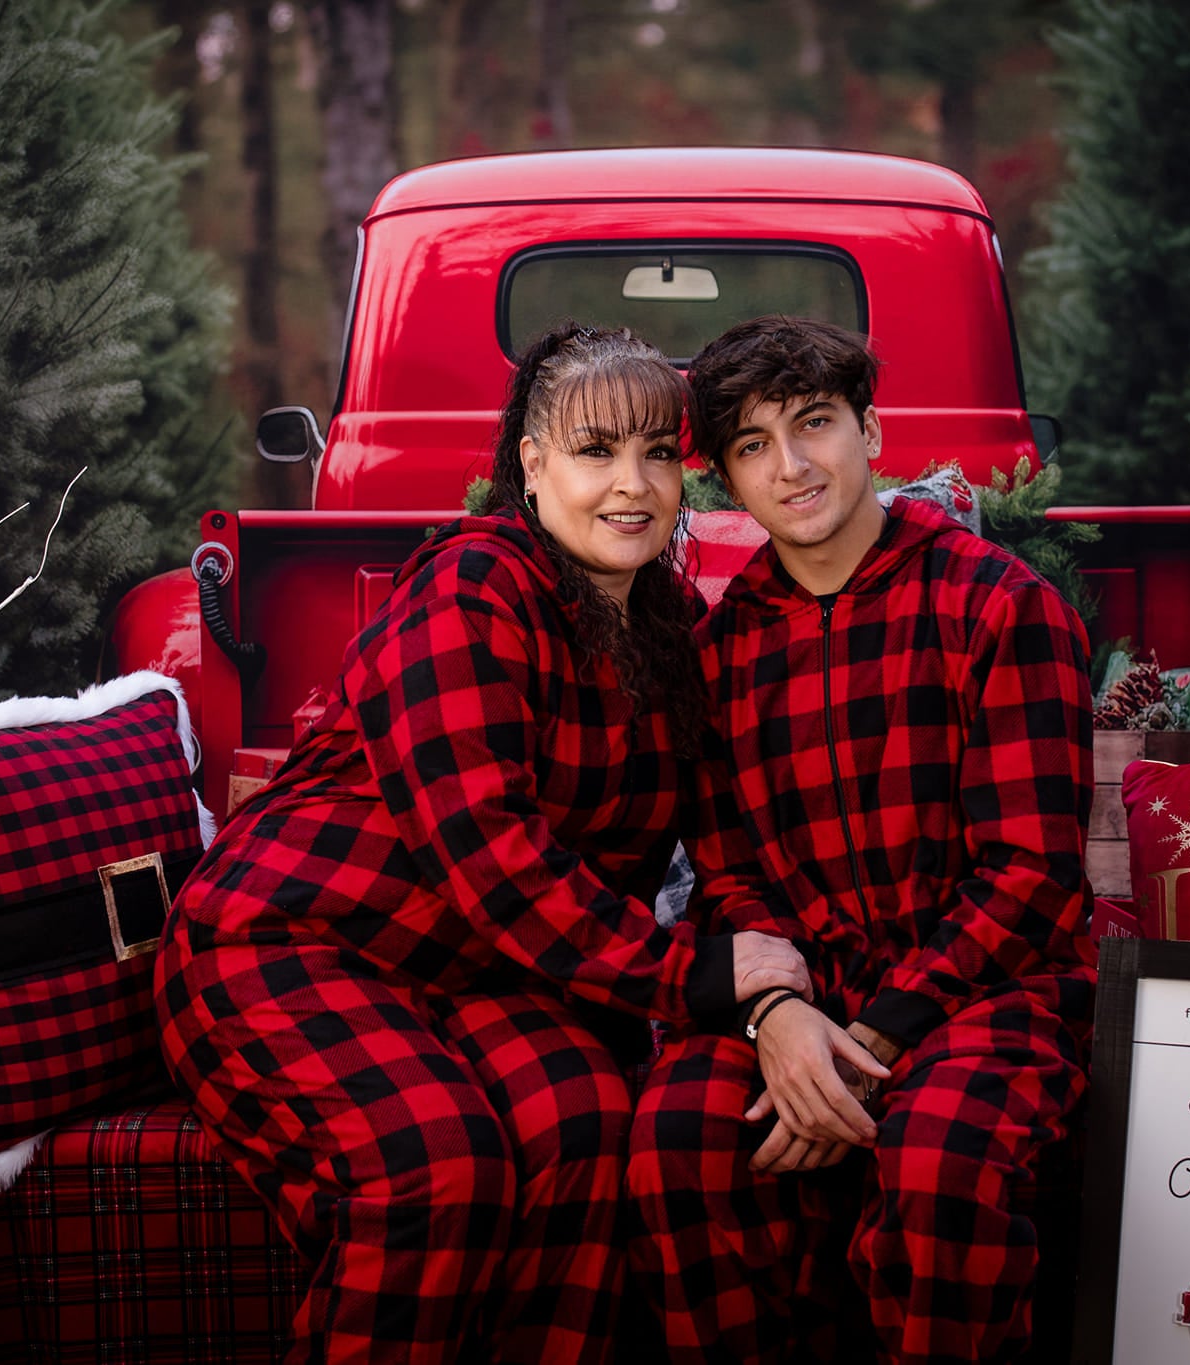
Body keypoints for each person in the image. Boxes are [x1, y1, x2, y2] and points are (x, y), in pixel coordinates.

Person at [156, 322, 811, 1365]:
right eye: (596, 451)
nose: (631, 484)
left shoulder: (668, 624)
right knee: (435, 1165)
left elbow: (721, 830)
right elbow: (485, 850)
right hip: (290, 940)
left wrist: (773, 977)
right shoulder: (473, 586)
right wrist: (689, 973)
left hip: (476, 970)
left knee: (591, 1129)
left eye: (657, 453)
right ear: (532, 462)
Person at [628, 316, 1096, 1363]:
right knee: (677, 1135)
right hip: (806, 995)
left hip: (990, 989)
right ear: (725, 482)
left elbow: (1027, 877)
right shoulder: (717, 652)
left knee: (940, 1155)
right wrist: (781, 1015)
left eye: (813, 425)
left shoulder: (998, 607)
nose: (790, 467)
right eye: (751, 446)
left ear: (871, 431)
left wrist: (871, 1039)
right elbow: (728, 874)